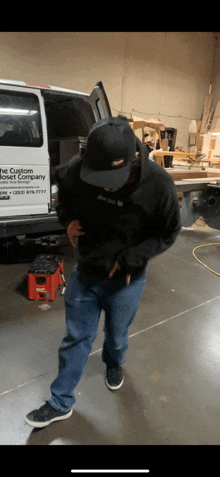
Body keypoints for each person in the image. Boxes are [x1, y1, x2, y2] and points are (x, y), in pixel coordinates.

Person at [25, 116, 181, 428]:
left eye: (113, 178)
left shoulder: (158, 185)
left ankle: (114, 363)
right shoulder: (79, 169)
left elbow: (168, 232)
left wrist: (133, 259)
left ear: (133, 159)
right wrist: (66, 219)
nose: (106, 185)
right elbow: (63, 190)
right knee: (76, 338)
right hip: (86, 272)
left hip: (126, 280)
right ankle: (61, 402)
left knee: (117, 336)